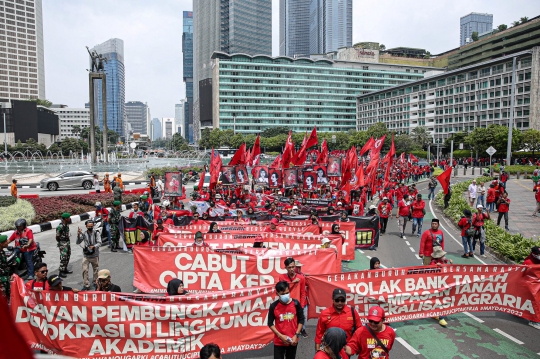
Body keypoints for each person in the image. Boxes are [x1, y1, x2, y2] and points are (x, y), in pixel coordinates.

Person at [268, 281, 304, 359]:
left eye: (287, 293)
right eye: (283, 294)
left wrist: (296, 335)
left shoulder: (296, 303)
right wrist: (280, 336)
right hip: (279, 342)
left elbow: (301, 319)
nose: (286, 295)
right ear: (277, 294)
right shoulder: (274, 306)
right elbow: (270, 323)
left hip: (293, 341)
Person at [279, 258, 308, 337]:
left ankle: (300, 332)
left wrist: (301, 306)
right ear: (286, 268)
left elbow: (303, 293)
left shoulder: (301, 278)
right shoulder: (282, 277)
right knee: (287, 320)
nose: (292, 269)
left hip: (297, 303)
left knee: (299, 320)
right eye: (289, 267)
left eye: (293, 267)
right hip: (286, 303)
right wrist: (292, 283)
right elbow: (281, 289)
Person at [76, 219, 101, 291]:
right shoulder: (84, 234)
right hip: (86, 255)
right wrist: (78, 234)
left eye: (91, 226)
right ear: (86, 226)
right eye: (88, 226)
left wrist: (94, 246)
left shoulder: (96, 233)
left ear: (93, 226)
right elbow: (78, 242)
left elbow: (99, 242)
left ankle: (95, 282)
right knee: (85, 270)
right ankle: (86, 284)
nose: (90, 227)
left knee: (95, 270)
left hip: (95, 254)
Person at [430, 247, 452, 327]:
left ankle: (435, 313)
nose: (445, 257)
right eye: (443, 256)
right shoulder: (433, 262)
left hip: (444, 284)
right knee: (440, 301)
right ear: (439, 257)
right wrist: (436, 266)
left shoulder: (445, 261)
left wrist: (451, 264)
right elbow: (431, 272)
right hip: (437, 285)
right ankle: (441, 318)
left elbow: (450, 270)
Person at [56, 213, 72, 277]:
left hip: (67, 242)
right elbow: (57, 236)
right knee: (63, 257)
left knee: (68, 255)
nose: (69, 218)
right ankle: (61, 271)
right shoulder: (60, 227)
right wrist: (61, 243)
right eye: (68, 217)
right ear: (65, 219)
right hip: (63, 243)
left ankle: (65, 268)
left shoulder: (66, 225)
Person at [0, 235, 13, 300]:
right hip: (1, 280)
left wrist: (10, 275)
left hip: (5, 278)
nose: (7, 242)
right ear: (1, 244)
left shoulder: (2, 252)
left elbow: (5, 265)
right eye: (5, 241)